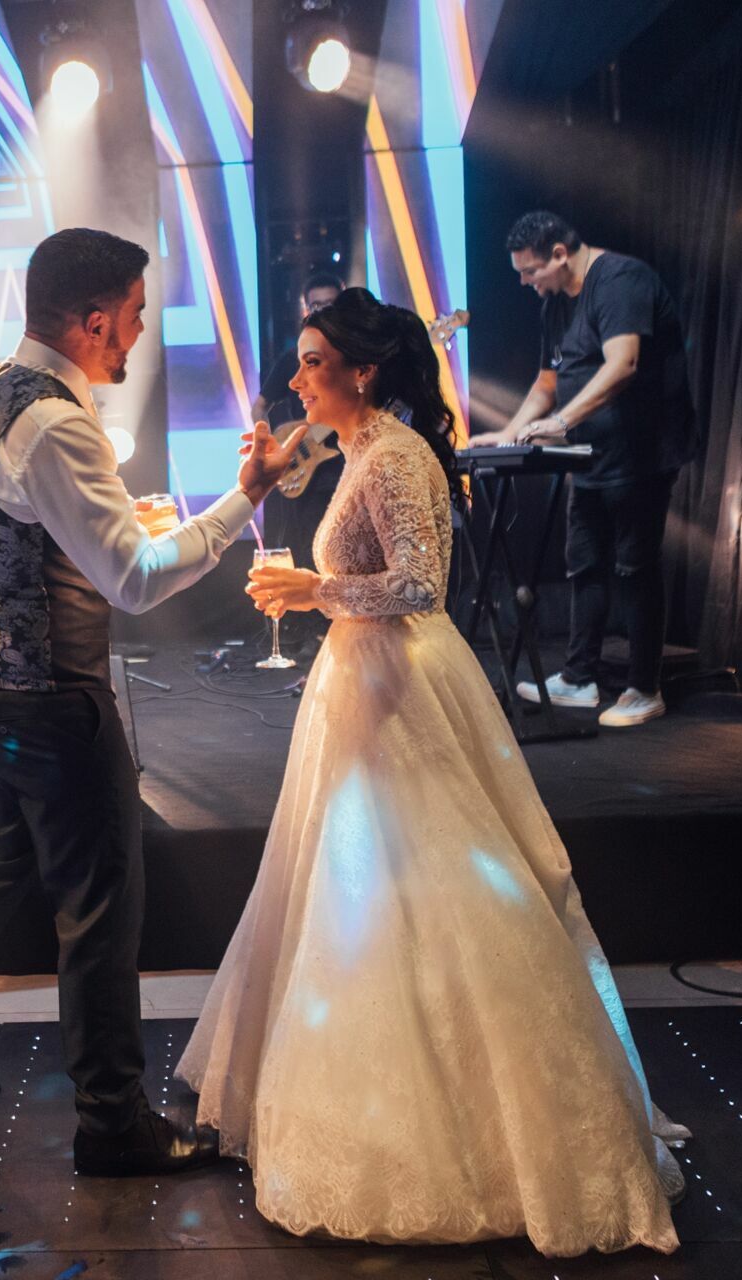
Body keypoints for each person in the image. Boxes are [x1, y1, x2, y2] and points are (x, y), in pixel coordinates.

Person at [177, 287, 686, 1256]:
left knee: (427, 888)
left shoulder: (398, 452)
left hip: (400, 687)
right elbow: (323, 488)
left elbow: (420, 584)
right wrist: (268, 478)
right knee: (358, 892)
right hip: (361, 683)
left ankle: (482, 1138)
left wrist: (313, 588)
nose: (296, 379)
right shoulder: (362, 443)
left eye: (313, 362)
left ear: (362, 370)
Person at [0, 228, 303, 1178]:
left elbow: (23, 530)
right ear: (95, 320)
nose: (140, 334)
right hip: (51, 705)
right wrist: (242, 501)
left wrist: (119, 526)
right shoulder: (58, 424)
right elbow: (134, 582)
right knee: (101, 911)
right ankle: (113, 1123)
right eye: (136, 316)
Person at [472, 210, 696, 728]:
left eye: (531, 271)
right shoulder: (555, 304)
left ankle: (644, 688)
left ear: (559, 254)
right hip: (591, 456)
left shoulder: (619, 281)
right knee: (585, 563)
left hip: (641, 454)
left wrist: (561, 422)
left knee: (635, 568)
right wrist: (510, 433)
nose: (525, 283)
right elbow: (547, 382)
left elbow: (623, 364)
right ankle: (579, 678)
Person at [252, 272, 346, 654]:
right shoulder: (292, 359)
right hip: (308, 469)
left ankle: (334, 628)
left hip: (344, 465)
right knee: (305, 543)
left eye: (330, 304)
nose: (322, 311)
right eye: (316, 305)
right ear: (305, 309)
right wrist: (267, 441)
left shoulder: (352, 360)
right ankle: (306, 630)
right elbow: (261, 404)